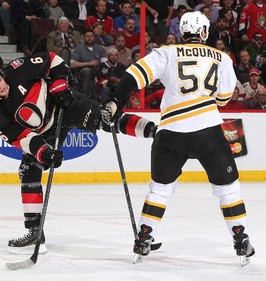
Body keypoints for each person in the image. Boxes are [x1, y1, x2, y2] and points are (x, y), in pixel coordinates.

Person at [103, 11, 255, 264]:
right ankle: (240, 237)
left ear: (183, 32)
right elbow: (224, 98)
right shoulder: (222, 58)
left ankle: (144, 237)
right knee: (227, 188)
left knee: (160, 189)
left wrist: (115, 102)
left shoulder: (167, 52)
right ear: (204, 32)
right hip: (208, 131)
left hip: (171, 133)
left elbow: (133, 75)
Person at [0, 51, 157, 253]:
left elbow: (52, 59)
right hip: (46, 130)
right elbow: (21, 138)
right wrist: (44, 152)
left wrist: (59, 83)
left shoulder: (17, 69)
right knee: (28, 169)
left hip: (65, 104)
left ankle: (156, 131)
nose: (0, 85)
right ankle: (35, 231)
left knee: (106, 118)